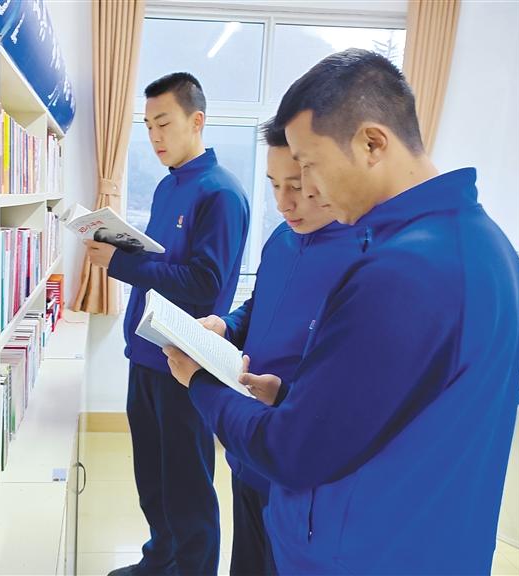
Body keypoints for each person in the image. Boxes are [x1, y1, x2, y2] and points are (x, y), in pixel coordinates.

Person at [164, 48, 519, 574]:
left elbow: (292, 451)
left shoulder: (402, 271)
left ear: (372, 143)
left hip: (363, 552)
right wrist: (293, 396)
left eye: (309, 166)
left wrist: (200, 381)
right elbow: (405, 407)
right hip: (430, 542)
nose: (308, 189)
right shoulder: (488, 246)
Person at [85, 72, 249, 576]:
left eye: (164, 123)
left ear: (196, 121)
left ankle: (192, 569)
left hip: (185, 363)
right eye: (148, 125)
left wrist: (120, 263)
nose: (155, 136)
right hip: (145, 354)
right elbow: (163, 260)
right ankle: (159, 560)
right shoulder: (166, 185)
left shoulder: (221, 193)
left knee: (187, 484)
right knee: (152, 477)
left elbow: (204, 284)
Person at [198, 118, 363, 576]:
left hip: (298, 463)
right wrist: (226, 326)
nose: (283, 202)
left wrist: (285, 394)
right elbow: (259, 305)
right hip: (248, 444)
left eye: (296, 185)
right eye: (273, 185)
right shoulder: (281, 239)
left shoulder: (364, 258)